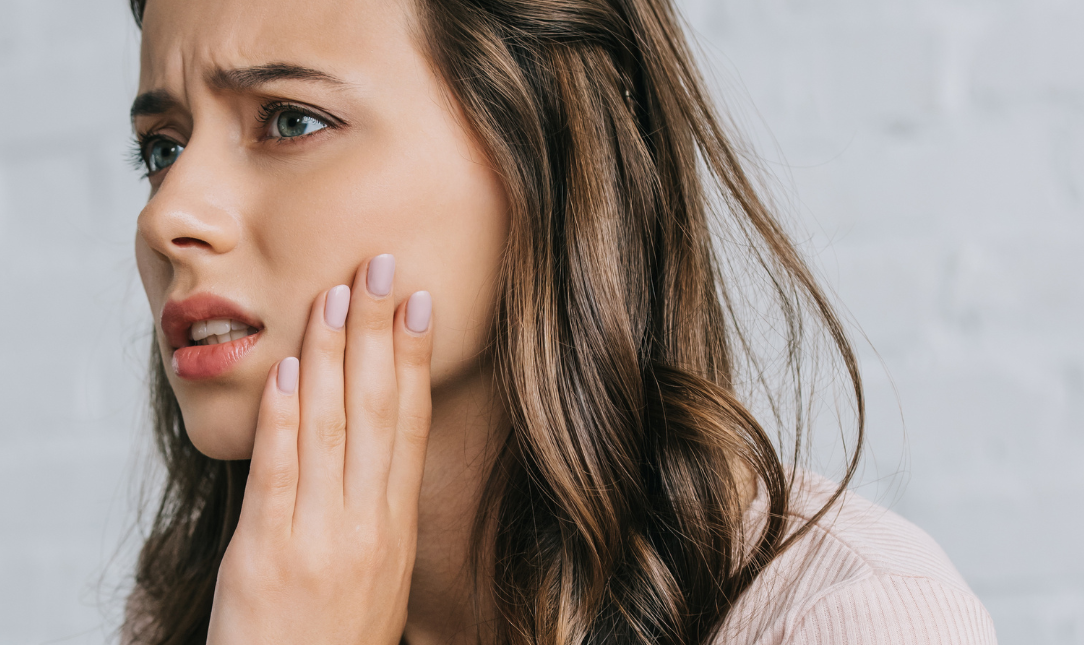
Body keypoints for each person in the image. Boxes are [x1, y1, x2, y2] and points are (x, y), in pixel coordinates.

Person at [120, 0, 997, 643]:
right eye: (164, 147)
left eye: (290, 119)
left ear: (540, 148)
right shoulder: (198, 611)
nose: (169, 215)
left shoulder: (847, 618)